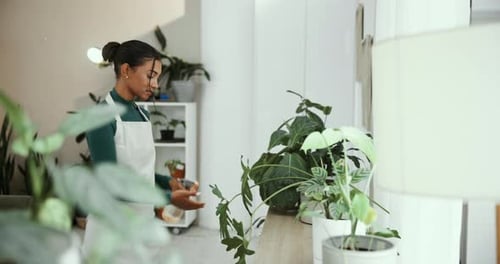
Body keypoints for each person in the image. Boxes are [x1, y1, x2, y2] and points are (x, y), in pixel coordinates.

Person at [81, 40, 204, 261]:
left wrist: (168, 182)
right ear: (126, 70)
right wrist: (169, 197)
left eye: (157, 76)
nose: (155, 84)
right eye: (150, 75)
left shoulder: (142, 114)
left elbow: (137, 171)